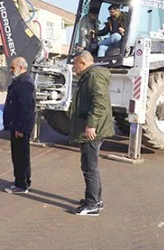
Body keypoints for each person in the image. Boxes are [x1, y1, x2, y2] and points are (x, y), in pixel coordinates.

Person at [69, 51, 115, 216]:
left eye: (74, 63)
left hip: (93, 131)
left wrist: (91, 125)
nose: (73, 67)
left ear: (82, 63)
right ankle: (96, 199)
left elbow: (99, 102)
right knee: (91, 166)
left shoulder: (93, 77)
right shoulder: (89, 76)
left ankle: (92, 205)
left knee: (89, 167)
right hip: (93, 129)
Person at [3, 57, 36, 194]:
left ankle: (21, 185)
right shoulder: (21, 81)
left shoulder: (24, 84)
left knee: (20, 156)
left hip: (20, 127)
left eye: (13, 67)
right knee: (18, 155)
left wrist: (20, 128)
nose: (11, 70)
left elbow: (26, 108)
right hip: (16, 125)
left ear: (21, 68)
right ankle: (21, 180)